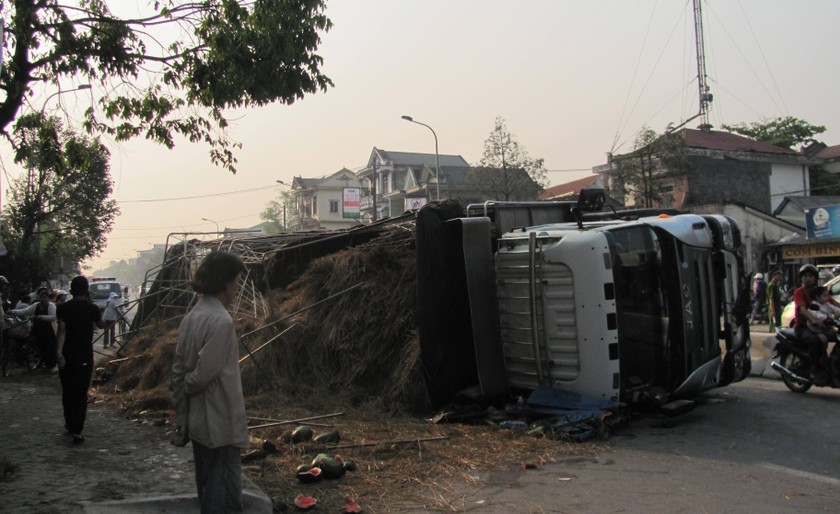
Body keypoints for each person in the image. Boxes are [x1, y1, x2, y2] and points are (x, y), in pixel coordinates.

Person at [171, 252, 249, 513]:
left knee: (207, 488)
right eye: (236, 282)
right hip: (220, 424)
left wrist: (183, 414)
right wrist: (189, 387)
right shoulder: (222, 322)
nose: (237, 289)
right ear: (224, 282)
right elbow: (200, 375)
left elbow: (178, 369)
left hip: (200, 423)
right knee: (224, 497)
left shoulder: (191, 317)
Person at [56, 276, 105, 445]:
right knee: (80, 394)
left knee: (68, 391)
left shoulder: (62, 309)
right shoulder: (92, 309)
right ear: (86, 290)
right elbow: (101, 324)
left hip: (66, 356)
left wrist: (59, 352)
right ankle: (77, 430)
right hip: (84, 357)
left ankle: (70, 423)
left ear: (71, 291)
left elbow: (61, 331)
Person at [793, 264, 840, 384]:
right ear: (802, 278)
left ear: (815, 278)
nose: (808, 278)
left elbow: (834, 303)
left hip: (820, 326)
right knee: (816, 341)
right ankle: (814, 369)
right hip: (803, 327)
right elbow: (802, 309)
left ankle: (832, 365)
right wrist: (814, 319)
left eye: (811, 276)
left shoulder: (819, 291)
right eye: (805, 276)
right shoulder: (799, 292)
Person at [10, 288, 58, 371]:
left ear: (48, 298)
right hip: (37, 330)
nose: (43, 300)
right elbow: (25, 311)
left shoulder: (51, 306)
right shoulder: (35, 306)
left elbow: (53, 317)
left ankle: (52, 366)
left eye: (45, 298)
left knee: (50, 348)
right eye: (41, 297)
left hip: (49, 331)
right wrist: (13, 311)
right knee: (40, 346)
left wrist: (42, 317)